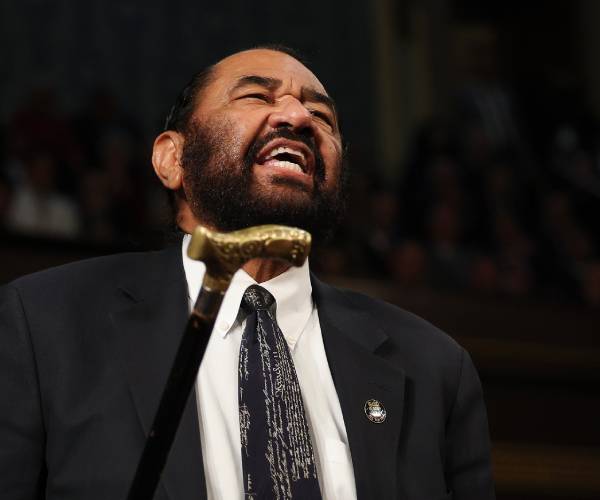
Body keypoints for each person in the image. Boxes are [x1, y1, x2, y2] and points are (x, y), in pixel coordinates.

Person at [0, 46, 495, 500]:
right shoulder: (45, 325)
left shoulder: (434, 367)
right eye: (257, 96)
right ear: (172, 159)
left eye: (322, 116)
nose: (298, 117)